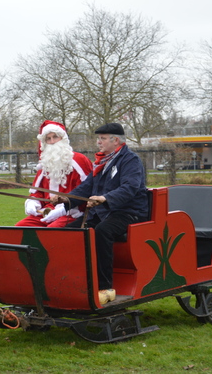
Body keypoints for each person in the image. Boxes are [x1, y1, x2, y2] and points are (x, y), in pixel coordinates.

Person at [53, 123, 148, 305]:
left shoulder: (130, 160)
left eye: (102, 138)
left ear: (116, 140)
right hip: (104, 212)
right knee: (71, 231)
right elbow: (86, 188)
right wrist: (66, 199)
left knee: (103, 231)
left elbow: (130, 188)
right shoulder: (102, 162)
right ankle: (77, 281)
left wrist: (105, 198)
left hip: (129, 212)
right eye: (99, 138)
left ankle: (105, 288)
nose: (98, 142)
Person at [15, 120, 92, 228]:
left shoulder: (79, 160)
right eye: (48, 138)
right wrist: (33, 202)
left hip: (72, 212)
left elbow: (86, 191)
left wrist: (63, 208)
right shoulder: (45, 163)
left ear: (63, 138)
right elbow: (38, 192)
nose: (52, 142)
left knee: (52, 231)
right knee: (21, 227)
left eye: (55, 137)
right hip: (47, 210)